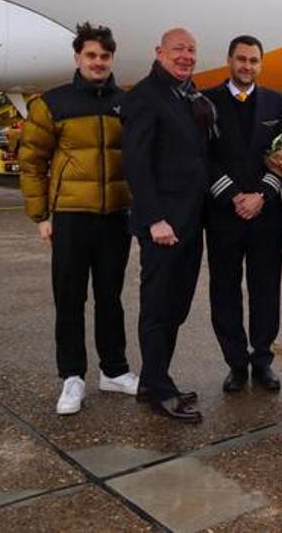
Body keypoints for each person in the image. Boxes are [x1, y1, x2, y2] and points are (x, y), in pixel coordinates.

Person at [19, 22, 136, 415]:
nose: (98, 62)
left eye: (104, 56)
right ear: (77, 57)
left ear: (111, 59)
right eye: (91, 55)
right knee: (69, 299)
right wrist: (41, 216)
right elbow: (31, 162)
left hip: (116, 217)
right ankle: (72, 377)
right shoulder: (53, 103)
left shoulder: (126, 103)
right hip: (71, 217)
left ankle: (114, 370)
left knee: (110, 298)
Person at [121, 27, 217, 424]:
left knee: (176, 307)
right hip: (163, 225)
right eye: (179, 50)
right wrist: (155, 219)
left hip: (191, 223)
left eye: (192, 51)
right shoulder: (146, 97)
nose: (186, 56)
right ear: (159, 51)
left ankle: (155, 380)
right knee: (158, 307)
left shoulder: (189, 95)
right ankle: (158, 389)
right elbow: (136, 164)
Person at [204, 35, 282, 394]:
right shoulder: (206, 100)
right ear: (229, 60)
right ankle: (236, 363)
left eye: (254, 61)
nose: (247, 66)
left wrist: (263, 194)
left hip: (265, 214)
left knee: (265, 290)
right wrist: (234, 196)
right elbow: (202, 155)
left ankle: (262, 360)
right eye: (241, 59)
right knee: (224, 290)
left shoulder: (275, 101)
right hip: (223, 214)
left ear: (261, 64)